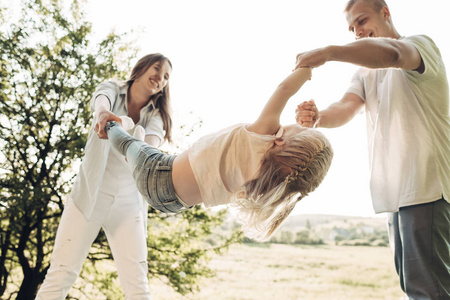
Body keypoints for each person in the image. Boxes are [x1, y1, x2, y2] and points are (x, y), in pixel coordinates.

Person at [295, 0, 450, 299]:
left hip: (427, 188)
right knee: (413, 288)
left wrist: (328, 52)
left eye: (362, 21)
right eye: (352, 28)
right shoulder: (365, 73)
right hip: (396, 195)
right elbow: (346, 107)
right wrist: (318, 117)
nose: (358, 32)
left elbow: (392, 54)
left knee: (430, 291)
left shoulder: (419, 45)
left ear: (386, 13)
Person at [103, 67, 333, 242]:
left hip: (158, 171)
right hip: (172, 204)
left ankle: (110, 126)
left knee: (129, 144)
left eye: (303, 131)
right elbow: (293, 163)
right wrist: (304, 135)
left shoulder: (261, 135)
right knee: (138, 152)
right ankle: (134, 156)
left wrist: (308, 67)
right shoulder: (268, 183)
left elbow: (284, 90)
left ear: (282, 142)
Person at [36, 53, 173, 299]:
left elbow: (152, 142)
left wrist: (143, 152)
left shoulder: (157, 115)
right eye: (157, 69)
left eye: (166, 77)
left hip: (128, 205)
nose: (160, 79)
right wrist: (103, 115)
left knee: (138, 287)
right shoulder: (112, 87)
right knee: (60, 274)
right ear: (141, 67)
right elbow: (101, 101)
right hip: (88, 197)